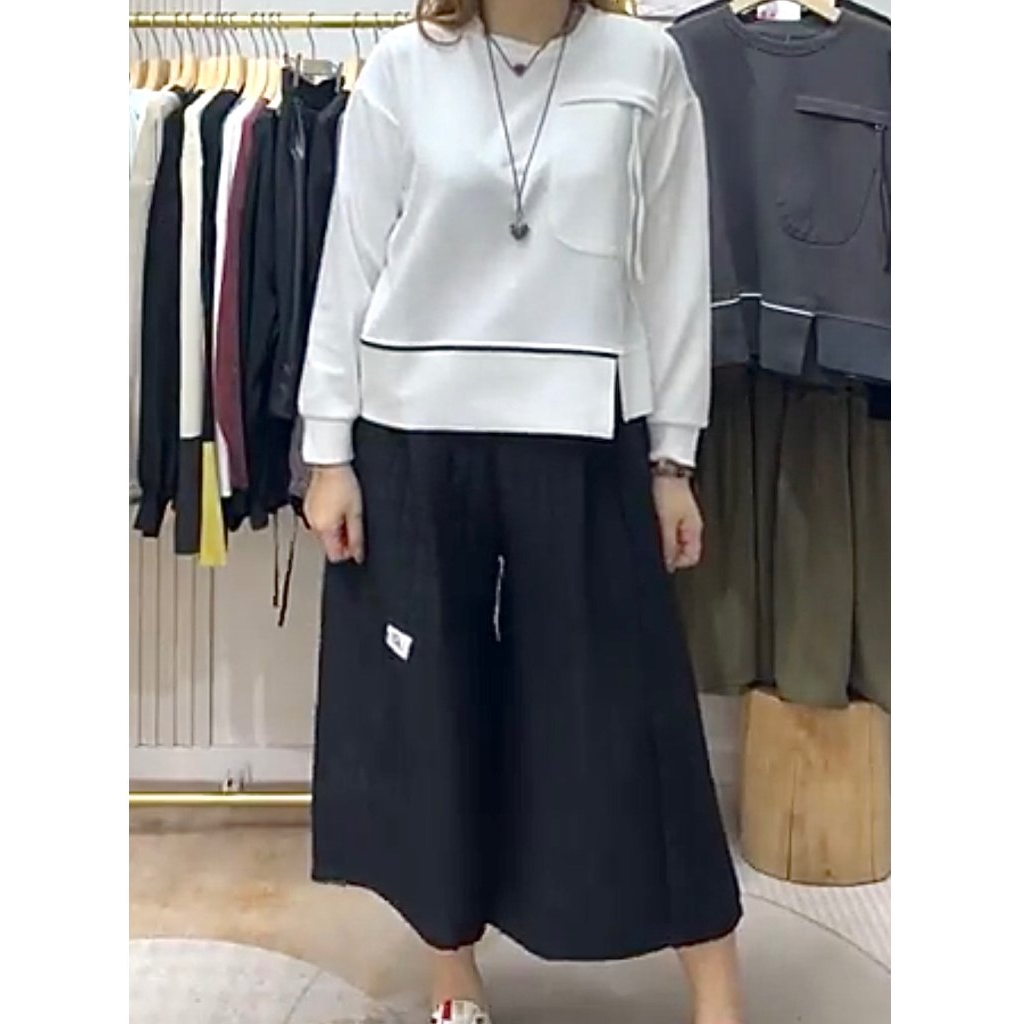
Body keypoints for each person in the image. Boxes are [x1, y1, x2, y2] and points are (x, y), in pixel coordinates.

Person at [298, 1, 744, 1021]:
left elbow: (675, 267)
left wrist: (672, 455)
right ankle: (451, 967)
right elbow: (351, 259)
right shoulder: (402, 68)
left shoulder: (647, 62)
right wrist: (328, 451)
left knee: (632, 708)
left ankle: (718, 989)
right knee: (434, 705)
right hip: (414, 431)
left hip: (586, 428)